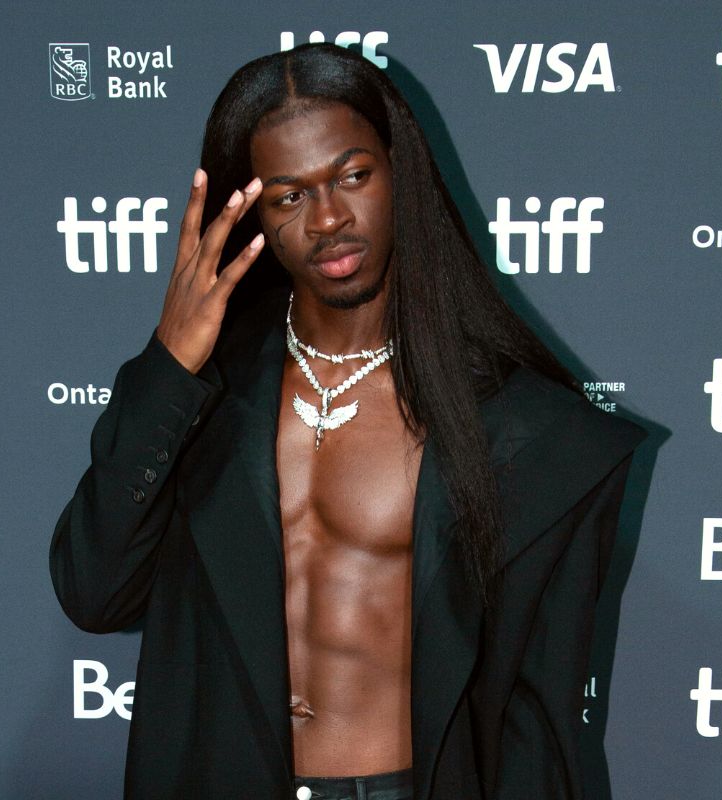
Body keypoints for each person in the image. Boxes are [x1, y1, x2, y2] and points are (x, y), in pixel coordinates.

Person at [50, 43, 645, 800]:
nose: (329, 219)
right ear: (254, 214)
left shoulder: (527, 430)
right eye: (290, 196)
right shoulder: (198, 399)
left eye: (353, 176)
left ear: (402, 173)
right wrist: (169, 366)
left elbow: (539, 718)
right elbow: (93, 595)